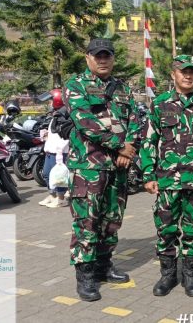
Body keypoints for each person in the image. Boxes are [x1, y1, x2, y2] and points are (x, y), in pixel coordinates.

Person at [65, 38, 141, 302]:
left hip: (118, 167)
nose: (102, 60)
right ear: (88, 57)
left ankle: (103, 266)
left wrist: (129, 147)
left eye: (107, 55)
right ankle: (85, 276)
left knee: (111, 220)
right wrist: (120, 145)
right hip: (89, 167)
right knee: (87, 221)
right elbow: (84, 122)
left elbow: (135, 118)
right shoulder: (76, 86)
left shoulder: (122, 88)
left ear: (113, 58)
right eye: (97, 55)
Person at [141, 54, 193, 298]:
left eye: (192, 71)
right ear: (173, 74)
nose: (188, 75)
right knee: (165, 229)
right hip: (166, 181)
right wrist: (148, 173)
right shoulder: (160, 103)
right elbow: (149, 140)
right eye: (183, 71)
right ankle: (167, 275)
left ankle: (190, 275)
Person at [40, 89, 70, 208]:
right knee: (47, 174)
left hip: (59, 152)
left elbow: (65, 135)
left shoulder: (64, 116)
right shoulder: (56, 115)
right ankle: (52, 196)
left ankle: (61, 198)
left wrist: (60, 149)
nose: (49, 103)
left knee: (59, 177)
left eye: (50, 101)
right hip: (50, 150)